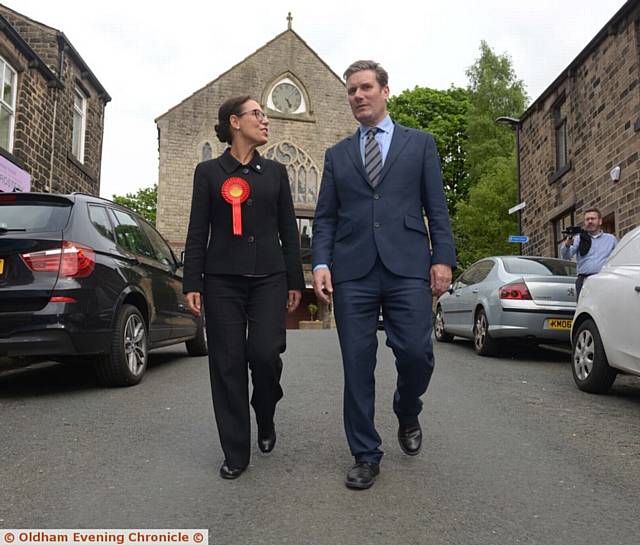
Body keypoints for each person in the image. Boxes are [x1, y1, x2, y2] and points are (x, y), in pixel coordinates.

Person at [312, 60, 456, 490]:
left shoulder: (421, 144)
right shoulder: (337, 155)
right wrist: (321, 262)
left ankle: (407, 407)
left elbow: (437, 207)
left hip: (407, 267)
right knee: (357, 365)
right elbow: (325, 218)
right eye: (351, 90)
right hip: (352, 271)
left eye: (365, 87)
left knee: (416, 352)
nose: (358, 95)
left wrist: (442, 258)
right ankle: (364, 454)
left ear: (385, 91)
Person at [183, 95, 304, 480]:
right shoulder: (208, 173)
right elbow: (198, 230)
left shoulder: (276, 173)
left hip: (269, 277)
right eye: (257, 114)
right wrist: (192, 280)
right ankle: (236, 451)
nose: (265, 120)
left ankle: (265, 411)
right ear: (235, 122)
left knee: (265, 354)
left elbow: (289, 229)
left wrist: (294, 280)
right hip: (220, 280)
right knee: (227, 363)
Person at [560, 208, 617, 298]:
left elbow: (617, 259)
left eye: (593, 218)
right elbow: (566, 256)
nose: (590, 221)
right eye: (587, 219)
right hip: (584, 281)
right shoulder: (579, 238)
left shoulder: (611, 239)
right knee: (584, 309)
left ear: (600, 221)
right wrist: (567, 245)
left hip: (605, 279)